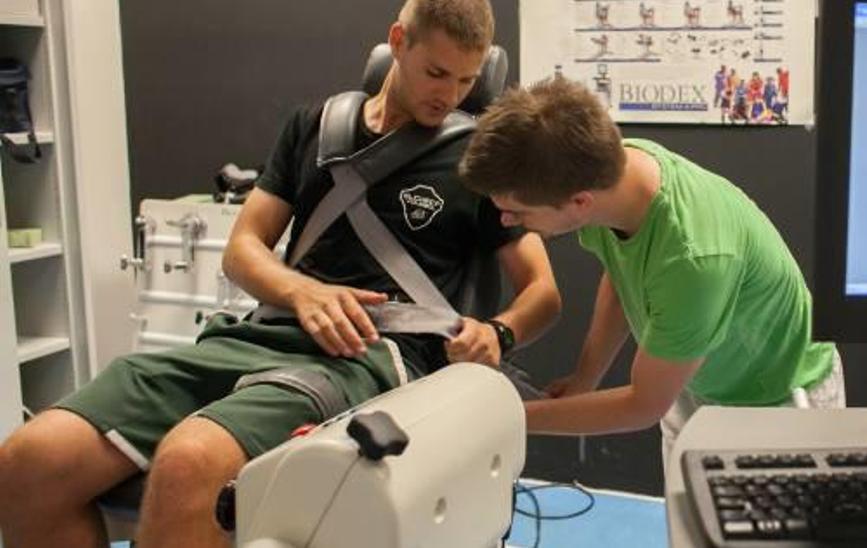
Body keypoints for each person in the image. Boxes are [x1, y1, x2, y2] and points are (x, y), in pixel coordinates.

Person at [0, 1, 561, 547]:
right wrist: (301, 291)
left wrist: (499, 331)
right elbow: (242, 248)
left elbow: (543, 292)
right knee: (30, 460)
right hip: (257, 336)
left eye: (466, 80)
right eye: (436, 72)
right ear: (397, 43)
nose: (450, 94)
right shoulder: (316, 126)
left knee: (189, 461)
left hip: (367, 357)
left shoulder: (478, 160)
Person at [458, 78, 845, 468]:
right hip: (696, 378)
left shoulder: (693, 261)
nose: (507, 220)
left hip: (778, 401)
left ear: (579, 203)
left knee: (764, 529)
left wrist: (509, 418)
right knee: (685, 522)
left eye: (518, 212)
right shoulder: (611, 174)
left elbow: (643, 405)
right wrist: (585, 377)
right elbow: (625, 272)